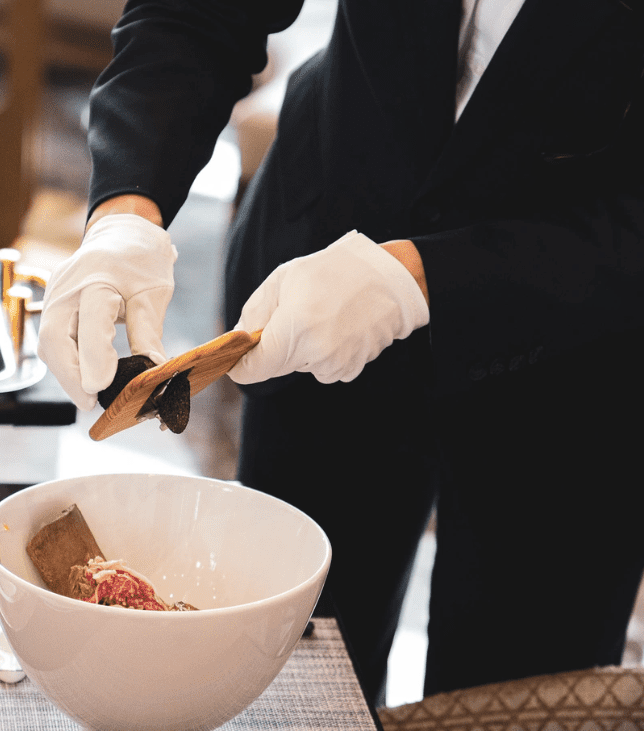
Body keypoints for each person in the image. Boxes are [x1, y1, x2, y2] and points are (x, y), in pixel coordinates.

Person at [37, 0, 644, 706]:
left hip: (576, 357)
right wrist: (124, 213)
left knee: (508, 697)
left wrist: (423, 279)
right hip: (322, 258)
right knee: (288, 682)